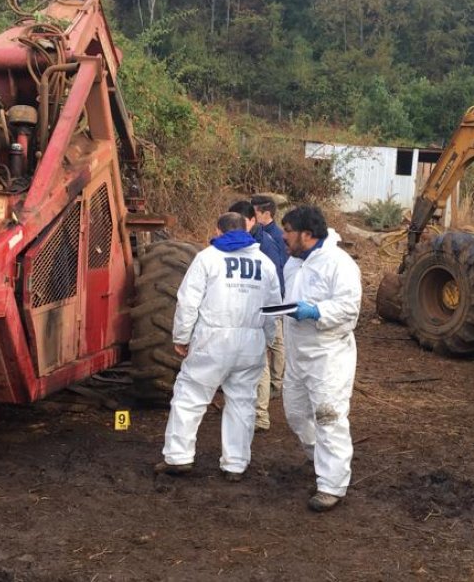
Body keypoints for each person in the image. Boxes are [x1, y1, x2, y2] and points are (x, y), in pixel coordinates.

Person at [155, 212, 281, 482]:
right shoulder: (265, 264)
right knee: (242, 402)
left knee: (190, 396)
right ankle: (235, 464)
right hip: (251, 341)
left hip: (212, 341)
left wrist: (182, 337)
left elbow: (188, 302)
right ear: (247, 229)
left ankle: (179, 457)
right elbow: (273, 308)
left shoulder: (208, 259)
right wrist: (268, 341)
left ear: (218, 230)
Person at [280, 205, 362, 512]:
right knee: (297, 413)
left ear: (307, 234)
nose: (283, 236)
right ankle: (322, 458)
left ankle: (332, 485)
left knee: (328, 416)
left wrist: (317, 312)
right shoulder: (293, 264)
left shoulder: (338, 264)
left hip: (328, 355)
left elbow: (349, 309)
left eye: (288, 231)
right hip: (298, 354)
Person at [229, 199, 287, 431]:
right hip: (244, 312)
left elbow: (274, 281)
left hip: (263, 311)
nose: (235, 225)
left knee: (264, 357)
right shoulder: (244, 242)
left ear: (252, 219)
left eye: (239, 221)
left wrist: (271, 315)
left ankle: (261, 414)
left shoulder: (266, 244)